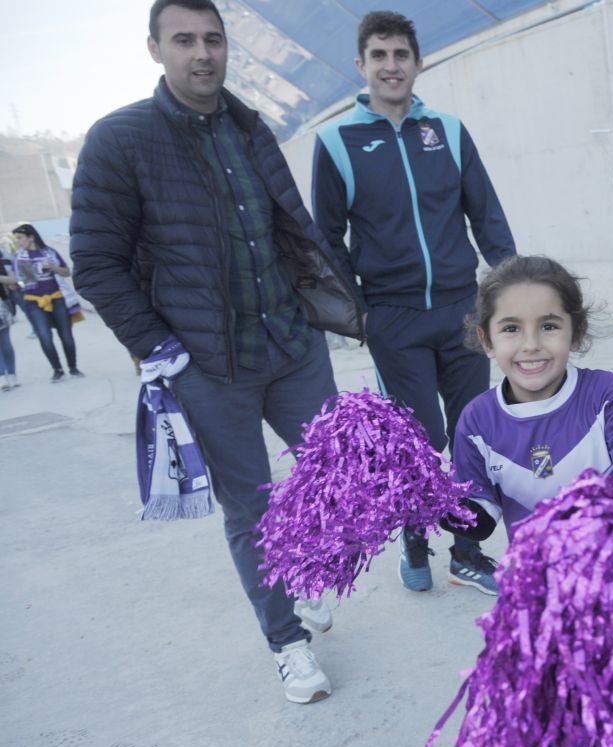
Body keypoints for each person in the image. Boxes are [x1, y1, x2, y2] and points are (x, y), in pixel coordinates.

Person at [70, 0, 364, 704]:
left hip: (291, 346)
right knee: (250, 509)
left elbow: (286, 225)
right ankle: (287, 642)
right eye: (184, 41)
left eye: (213, 39)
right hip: (207, 366)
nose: (202, 53)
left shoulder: (248, 125)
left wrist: (327, 297)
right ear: (155, 50)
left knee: (337, 476)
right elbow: (95, 262)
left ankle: (302, 571)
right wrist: (155, 345)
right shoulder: (120, 139)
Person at [312, 10, 515, 596]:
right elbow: (325, 240)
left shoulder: (448, 131)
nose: (391, 65)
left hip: (460, 309)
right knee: (418, 439)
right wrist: (360, 311)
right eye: (379, 55)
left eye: (401, 55)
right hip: (393, 317)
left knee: (474, 430)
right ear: (361, 65)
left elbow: (486, 213)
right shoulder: (336, 141)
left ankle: (468, 550)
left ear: (418, 63)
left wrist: (508, 294)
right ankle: (415, 541)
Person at [450, 255, 613, 543]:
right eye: (511, 329)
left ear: (576, 334)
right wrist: (424, 497)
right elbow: (479, 523)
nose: (531, 345)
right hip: (534, 583)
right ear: (487, 341)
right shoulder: (477, 421)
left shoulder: (604, 395)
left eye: (549, 326)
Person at [11, 224, 80, 381]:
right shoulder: (20, 257)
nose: (18, 241)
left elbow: (67, 272)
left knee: (66, 335)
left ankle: (73, 367)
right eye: (17, 239)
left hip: (57, 298)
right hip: (34, 302)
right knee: (44, 336)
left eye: (20, 238)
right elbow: (21, 283)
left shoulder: (49, 252)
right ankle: (57, 369)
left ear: (31, 237)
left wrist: (53, 267)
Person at [0, 252, 18, 390]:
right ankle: (4, 377)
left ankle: (10, 375)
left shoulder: (2, 261)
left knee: (5, 342)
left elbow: (12, 281)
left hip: (1, 305)